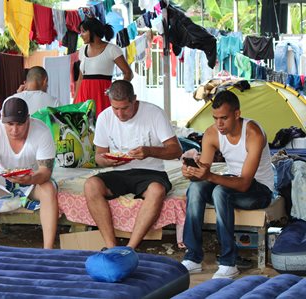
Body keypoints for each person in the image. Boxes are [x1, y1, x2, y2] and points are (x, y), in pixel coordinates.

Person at [181, 90, 274, 279]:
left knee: (220, 192)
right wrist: (192, 173)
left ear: (237, 114)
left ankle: (228, 262)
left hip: (260, 190)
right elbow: (204, 172)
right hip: (232, 183)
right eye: (215, 118)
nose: (219, 124)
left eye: (224, 118)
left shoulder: (253, 133)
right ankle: (193, 258)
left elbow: (244, 184)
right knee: (196, 188)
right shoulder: (212, 133)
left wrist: (209, 175)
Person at [84, 80, 182, 249]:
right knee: (91, 185)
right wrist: (106, 160)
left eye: (125, 108)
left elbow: (176, 150)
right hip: (118, 172)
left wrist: (150, 151)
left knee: (157, 190)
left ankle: (131, 247)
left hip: (151, 171)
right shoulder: (105, 117)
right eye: (116, 108)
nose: (120, 114)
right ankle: (112, 247)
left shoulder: (154, 113)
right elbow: (99, 156)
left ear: (134, 100)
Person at [0, 97, 58, 249]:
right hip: (3, 180)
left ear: (28, 119)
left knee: (48, 189)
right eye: (9, 124)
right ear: (2, 120)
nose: (14, 130)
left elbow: (45, 172)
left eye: (20, 124)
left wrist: (30, 179)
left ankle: (47, 249)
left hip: (32, 180)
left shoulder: (42, 131)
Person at [74, 18, 133, 117]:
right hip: (83, 97)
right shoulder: (82, 49)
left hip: (102, 96)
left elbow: (128, 73)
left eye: (83, 31)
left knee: (103, 126)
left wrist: (117, 92)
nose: (81, 35)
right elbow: (80, 78)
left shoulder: (112, 49)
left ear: (93, 32)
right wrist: (75, 100)